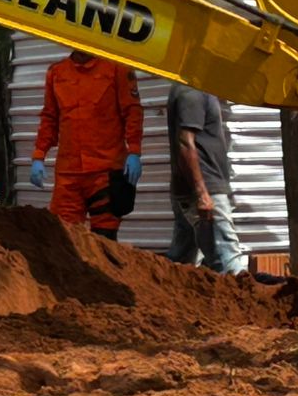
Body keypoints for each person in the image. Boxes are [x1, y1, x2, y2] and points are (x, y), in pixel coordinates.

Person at [29, 50, 143, 239]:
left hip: (105, 171)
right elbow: (50, 117)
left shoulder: (117, 68)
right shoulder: (57, 73)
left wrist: (134, 151)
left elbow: (132, 111)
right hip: (69, 174)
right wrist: (39, 154)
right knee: (63, 235)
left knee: (105, 237)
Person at [165, 82, 245, 273]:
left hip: (190, 189)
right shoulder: (192, 91)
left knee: (181, 263)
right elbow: (185, 142)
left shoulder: (191, 88)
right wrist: (202, 194)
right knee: (228, 263)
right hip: (205, 190)